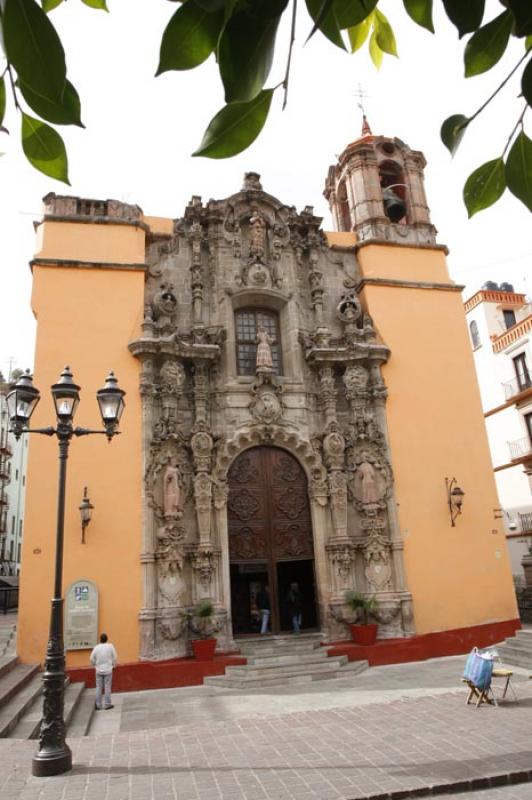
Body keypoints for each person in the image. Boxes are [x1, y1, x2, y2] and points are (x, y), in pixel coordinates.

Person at [90, 633, 117, 710]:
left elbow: (91, 658)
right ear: (107, 639)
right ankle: (107, 704)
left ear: (100, 639)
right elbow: (115, 657)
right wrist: (114, 666)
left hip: (98, 670)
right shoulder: (110, 646)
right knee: (107, 687)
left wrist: (94, 665)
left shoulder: (96, 647)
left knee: (98, 687)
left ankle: (98, 705)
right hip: (108, 669)